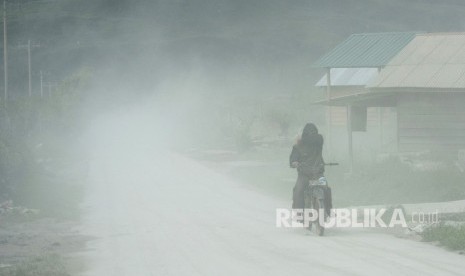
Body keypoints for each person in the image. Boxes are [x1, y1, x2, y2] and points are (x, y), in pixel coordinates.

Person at [289, 123, 325, 209]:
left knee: (325, 190)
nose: (312, 135)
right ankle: (299, 214)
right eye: (310, 133)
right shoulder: (298, 147)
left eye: (313, 132)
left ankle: (326, 209)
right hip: (304, 175)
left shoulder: (317, 142)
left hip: (318, 174)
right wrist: (294, 163)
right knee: (298, 191)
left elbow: (316, 138)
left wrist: (299, 139)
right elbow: (293, 159)